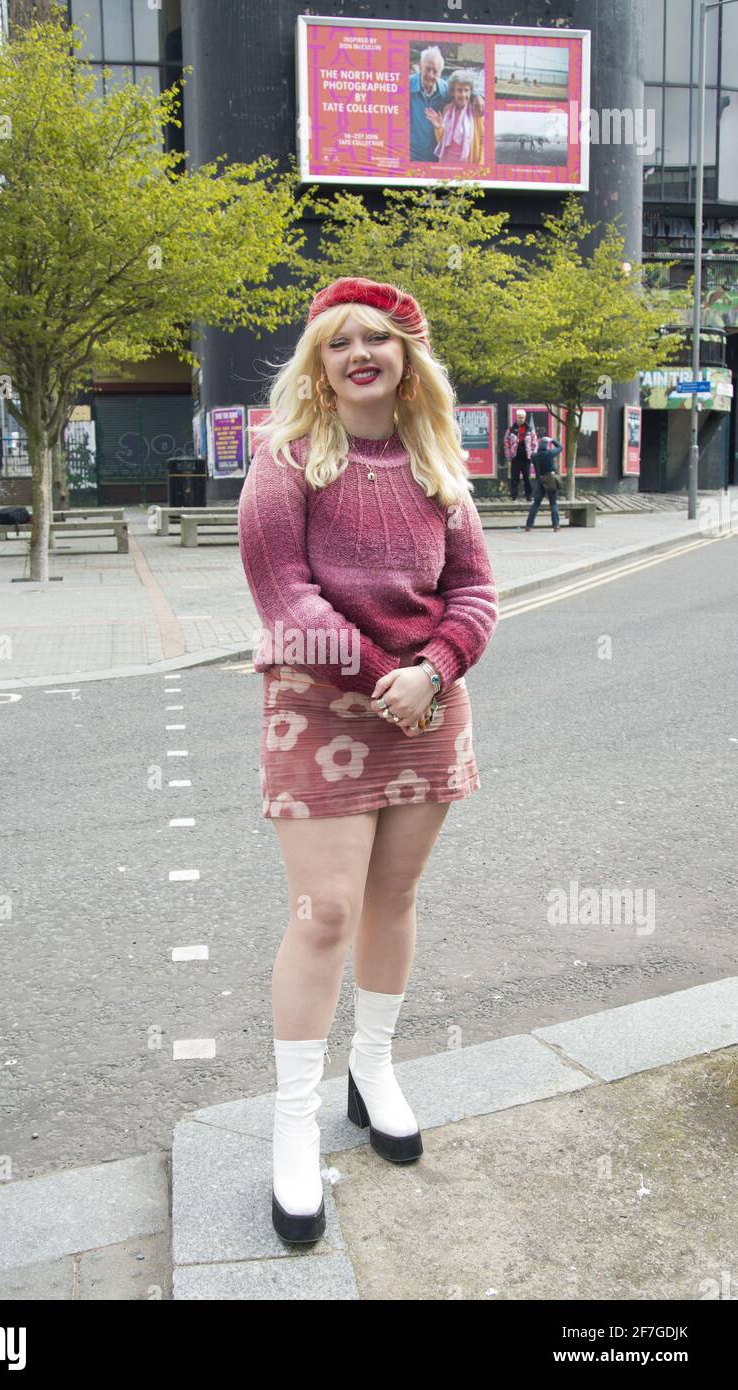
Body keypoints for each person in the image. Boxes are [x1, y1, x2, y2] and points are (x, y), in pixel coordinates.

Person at [237, 276, 499, 1244]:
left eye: (379, 340)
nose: (360, 352)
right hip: (319, 705)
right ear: (317, 361)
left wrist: (431, 669)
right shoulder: (286, 460)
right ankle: (292, 1122)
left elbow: (474, 592)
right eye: (339, 339)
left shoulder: (440, 465)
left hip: (425, 704)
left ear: (405, 358)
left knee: (392, 899)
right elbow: (285, 598)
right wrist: (383, 670)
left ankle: (374, 1068)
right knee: (325, 915)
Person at [425, 69, 485, 167]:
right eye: (459, 90)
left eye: (466, 90)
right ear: (453, 92)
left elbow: (484, 141)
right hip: (445, 164)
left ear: (471, 92)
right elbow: (441, 140)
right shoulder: (447, 109)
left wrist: (480, 165)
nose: (463, 95)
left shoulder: (476, 111)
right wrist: (438, 128)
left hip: (468, 166)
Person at [409, 46, 451, 163]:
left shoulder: (446, 90)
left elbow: (464, 93)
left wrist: (477, 97)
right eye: (427, 69)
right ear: (421, 66)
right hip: (411, 157)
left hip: (435, 159)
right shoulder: (406, 84)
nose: (431, 75)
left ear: (441, 73)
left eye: (435, 71)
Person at [525, 431, 562, 532]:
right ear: (546, 446)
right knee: (553, 503)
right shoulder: (550, 454)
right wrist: (552, 440)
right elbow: (560, 447)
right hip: (550, 480)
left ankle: (529, 525)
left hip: (540, 481)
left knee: (536, 503)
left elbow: (530, 455)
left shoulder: (535, 456)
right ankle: (556, 526)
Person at [502, 409, 537, 501]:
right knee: (514, 478)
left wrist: (533, 455)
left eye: (523, 417)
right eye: (519, 417)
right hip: (515, 457)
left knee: (527, 478)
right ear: (516, 417)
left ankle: (529, 497)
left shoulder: (529, 429)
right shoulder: (511, 429)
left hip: (526, 458)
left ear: (525, 418)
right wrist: (508, 455)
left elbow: (534, 443)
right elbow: (506, 443)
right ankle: (514, 497)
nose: (521, 419)